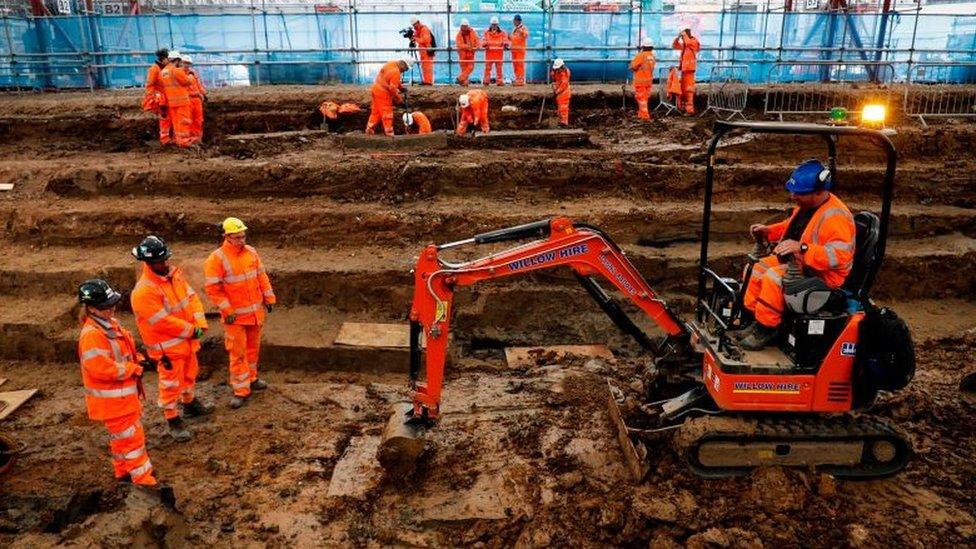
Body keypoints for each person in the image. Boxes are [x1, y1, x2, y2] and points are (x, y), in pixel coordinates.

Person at [738, 160, 856, 350]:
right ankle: (755, 321)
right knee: (756, 269)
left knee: (774, 278)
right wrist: (769, 231)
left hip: (823, 276)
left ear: (818, 191)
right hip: (802, 263)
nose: (793, 196)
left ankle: (768, 328)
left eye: (799, 193)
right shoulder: (809, 207)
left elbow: (839, 256)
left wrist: (802, 249)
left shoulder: (836, 217)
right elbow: (791, 227)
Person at [130, 235, 212, 441]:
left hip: (186, 341)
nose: (165, 263)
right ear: (148, 263)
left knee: (189, 374)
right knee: (170, 384)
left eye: (165, 259)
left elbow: (192, 298)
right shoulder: (144, 292)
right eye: (160, 261)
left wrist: (200, 322)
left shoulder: (174, 275)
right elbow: (162, 322)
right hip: (168, 349)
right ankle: (172, 418)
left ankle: (189, 403)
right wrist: (191, 330)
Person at [77, 279, 157, 486]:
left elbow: (121, 353)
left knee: (121, 440)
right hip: (115, 402)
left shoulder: (108, 325)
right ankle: (144, 480)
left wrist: (137, 358)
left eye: (111, 303)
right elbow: (101, 368)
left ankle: (122, 473)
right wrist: (133, 369)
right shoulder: (93, 335)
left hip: (121, 398)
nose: (112, 308)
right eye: (106, 306)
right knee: (133, 441)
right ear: (92, 308)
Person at [204, 218, 276, 409]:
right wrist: (227, 310)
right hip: (234, 317)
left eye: (243, 236)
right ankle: (240, 390)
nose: (241, 240)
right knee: (238, 354)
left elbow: (261, 276)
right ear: (226, 237)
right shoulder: (217, 259)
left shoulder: (251, 252)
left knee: (253, 350)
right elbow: (213, 289)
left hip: (254, 313)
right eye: (237, 237)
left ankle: (252, 379)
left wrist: (269, 298)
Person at [365, 58, 412, 136]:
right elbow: (393, 90)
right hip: (383, 94)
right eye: (406, 68)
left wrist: (400, 88)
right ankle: (389, 134)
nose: (405, 70)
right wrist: (400, 101)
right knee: (387, 114)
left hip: (376, 89)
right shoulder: (396, 72)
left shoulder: (391, 64)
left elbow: (392, 80)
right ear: (403, 64)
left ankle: (369, 130)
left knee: (376, 113)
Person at [159, 50, 195, 147]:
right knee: (183, 122)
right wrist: (191, 76)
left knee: (176, 123)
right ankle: (184, 142)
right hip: (182, 101)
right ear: (177, 60)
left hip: (172, 103)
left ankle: (178, 140)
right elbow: (187, 81)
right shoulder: (176, 70)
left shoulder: (163, 72)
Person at [142, 48, 171, 145]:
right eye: (168, 59)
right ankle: (164, 139)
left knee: (167, 118)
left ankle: (166, 137)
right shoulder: (154, 69)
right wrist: (154, 99)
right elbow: (150, 86)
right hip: (159, 99)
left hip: (165, 98)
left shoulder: (163, 69)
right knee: (164, 117)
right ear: (163, 58)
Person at [672, 28, 700, 115]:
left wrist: (684, 35)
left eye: (684, 35)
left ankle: (690, 110)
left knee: (689, 91)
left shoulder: (693, 41)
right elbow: (674, 46)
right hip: (685, 70)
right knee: (683, 90)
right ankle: (683, 108)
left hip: (689, 70)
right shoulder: (685, 44)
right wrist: (677, 38)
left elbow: (689, 43)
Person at [628, 38, 656, 121]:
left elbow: (633, 66)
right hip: (648, 81)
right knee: (644, 99)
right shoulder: (652, 56)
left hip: (640, 81)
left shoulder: (641, 55)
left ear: (643, 46)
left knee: (641, 99)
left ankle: (645, 116)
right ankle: (641, 114)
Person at [183, 55, 206, 144]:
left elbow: (199, 84)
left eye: (188, 63)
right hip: (187, 99)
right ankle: (190, 139)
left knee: (198, 119)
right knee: (189, 120)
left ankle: (197, 139)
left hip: (197, 99)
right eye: (185, 63)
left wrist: (203, 93)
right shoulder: (179, 74)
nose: (186, 65)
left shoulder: (193, 73)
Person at [482, 17, 509, 86]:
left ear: (497, 25)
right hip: (490, 53)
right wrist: (485, 44)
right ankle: (486, 81)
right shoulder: (486, 32)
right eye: (493, 24)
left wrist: (505, 44)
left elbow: (505, 40)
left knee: (499, 68)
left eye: (495, 24)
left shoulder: (503, 32)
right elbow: (483, 40)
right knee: (488, 68)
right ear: (491, 24)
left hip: (498, 53)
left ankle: (499, 81)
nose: (494, 26)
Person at [410, 16, 435, 85]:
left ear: (418, 22)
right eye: (413, 25)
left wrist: (416, 39)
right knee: (424, 67)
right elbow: (417, 36)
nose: (414, 26)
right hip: (423, 52)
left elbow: (425, 40)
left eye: (414, 24)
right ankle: (426, 81)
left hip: (427, 52)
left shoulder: (424, 29)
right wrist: (414, 37)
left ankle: (429, 81)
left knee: (428, 67)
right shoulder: (419, 30)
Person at [455, 19, 480, 86]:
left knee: (470, 68)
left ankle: (460, 78)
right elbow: (459, 45)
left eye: (465, 26)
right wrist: (469, 47)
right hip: (462, 55)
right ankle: (464, 83)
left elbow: (477, 40)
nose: (464, 28)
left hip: (470, 54)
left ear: (468, 26)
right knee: (464, 69)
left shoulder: (473, 33)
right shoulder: (459, 35)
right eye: (463, 26)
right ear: (461, 27)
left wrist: (477, 46)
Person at [549, 58, 571, 126]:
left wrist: (557, 91)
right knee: (559, 108)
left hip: (564, 93)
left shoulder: (564, 73)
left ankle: (564, 122)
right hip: (559, 92)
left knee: (563, 108)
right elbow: (554, 78)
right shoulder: (556, 71)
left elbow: (564, 84)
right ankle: (560, 120)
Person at [509, 15, 529, 86]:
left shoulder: (523, 28)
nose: (514, 22)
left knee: (520, 65)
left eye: (515, 21)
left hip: (520, 50)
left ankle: (520, 80)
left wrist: (521, 31)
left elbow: (526, 35)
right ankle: (518, 79)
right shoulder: (515, 29)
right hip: (514, 50)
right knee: (515, 65)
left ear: (518, 21)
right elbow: (513, 38)